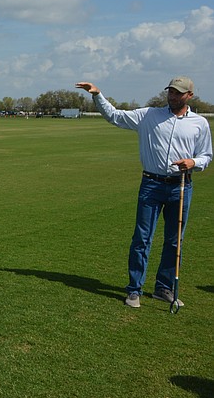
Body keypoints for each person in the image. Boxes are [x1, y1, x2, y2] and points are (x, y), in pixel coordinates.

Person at [75, 78, 212, 308]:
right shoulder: (149, 115)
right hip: (151, 184)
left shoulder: (200, 123)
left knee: (174, 241)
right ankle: (134, 290)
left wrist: (193, 161)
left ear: (189, 95)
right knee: (141, 239)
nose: (172, 96)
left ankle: (163, 288)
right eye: (170, 92)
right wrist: (97, 95)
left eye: (178, 93)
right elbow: (115, 116)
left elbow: (206, 156)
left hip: (181, 185)